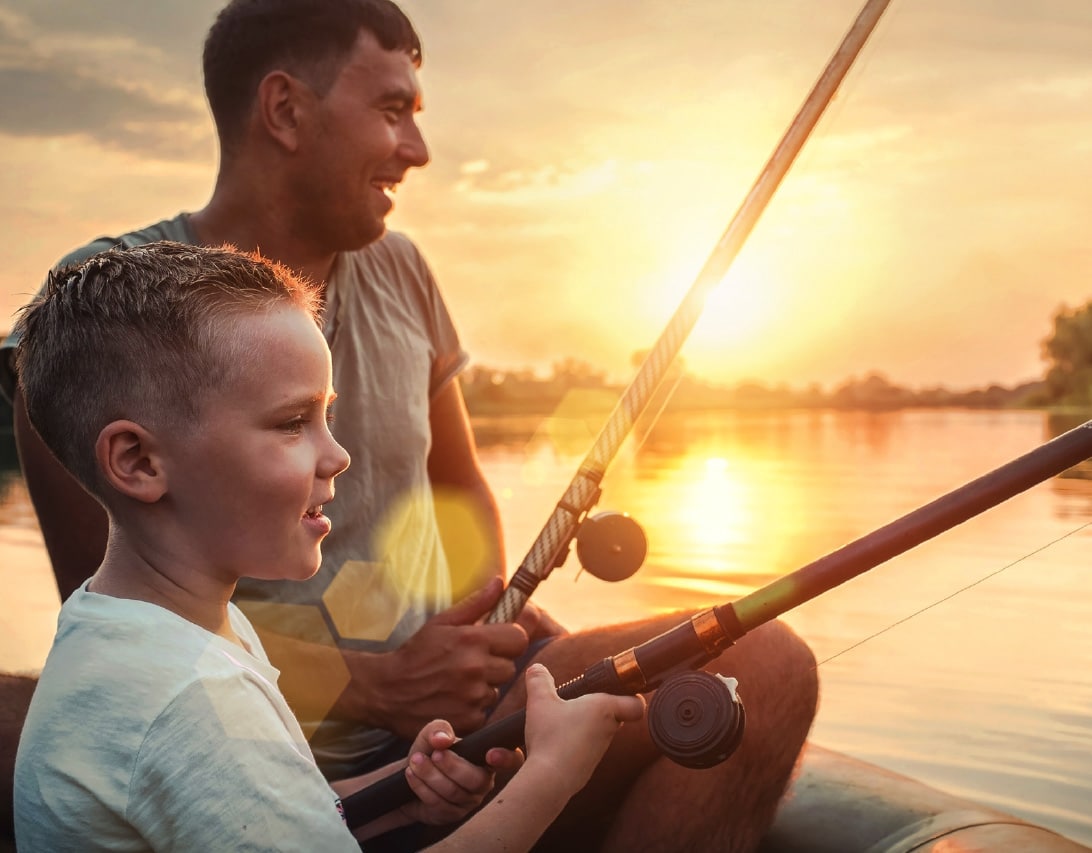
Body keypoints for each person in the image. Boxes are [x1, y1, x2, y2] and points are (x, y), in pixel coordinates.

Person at [0, 1, 819, 850]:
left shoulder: (406, 270)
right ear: (285, 110)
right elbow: (109, 586)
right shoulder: (105, 314)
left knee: (766, 661)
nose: (417, 149)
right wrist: (377, 685)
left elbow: (460, 487)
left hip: (433, 729)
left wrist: (490, 631)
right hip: (296, 738)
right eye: (392, 110)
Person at [11, 242, 644, 852]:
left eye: (327, 418)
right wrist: (553, 773)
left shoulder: (139, 629)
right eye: (292, 423)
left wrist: (395, 792)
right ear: (139, 462)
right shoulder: (190, 699)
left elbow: (255, 810)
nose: (338, 456)